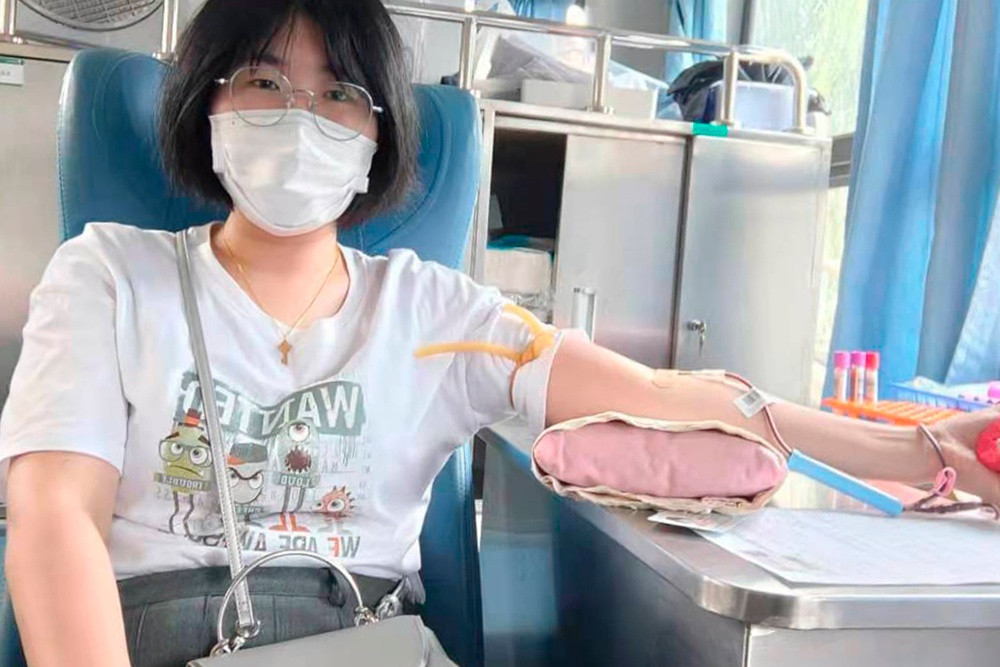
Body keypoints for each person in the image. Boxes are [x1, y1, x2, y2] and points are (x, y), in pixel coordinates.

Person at [1, 1, 997, 665]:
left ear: (378, 138)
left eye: (341, 92)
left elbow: (666, 398)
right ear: (204, 102)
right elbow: (55, 516)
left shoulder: (437, 312)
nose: (301, 118)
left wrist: (923, 452)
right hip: (152, 635)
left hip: (359, 640)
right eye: (262, 82)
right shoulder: (111, 274)